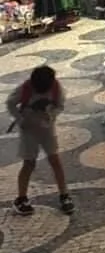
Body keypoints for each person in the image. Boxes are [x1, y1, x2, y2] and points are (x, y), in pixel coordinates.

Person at [7, 65, 74, 216]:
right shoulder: (25, 88)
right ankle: (21, 198)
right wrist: (20, 119)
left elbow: (60, 105)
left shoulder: (56, 87)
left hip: (47, 128)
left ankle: (64, 194)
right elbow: (11, 103)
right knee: (29, 162)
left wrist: (51, 115)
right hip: (28, 129)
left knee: (55, 159)